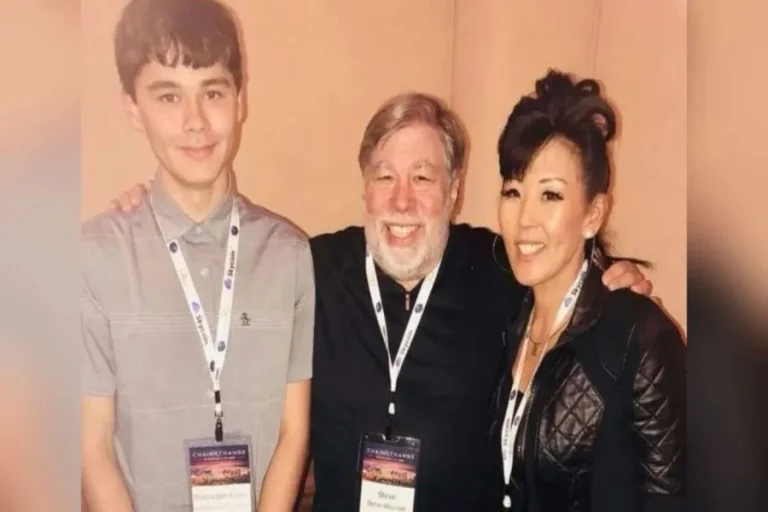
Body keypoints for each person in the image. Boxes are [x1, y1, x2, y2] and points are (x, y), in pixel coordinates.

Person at [108, 91, 653, 510]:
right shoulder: (311, 267)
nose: (401, 200)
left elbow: (556, 264)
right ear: (364, 187)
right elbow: (224, 257)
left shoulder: (496, 269)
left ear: (454, 190)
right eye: (384, 176)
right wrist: (153, 208)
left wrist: (609, 278)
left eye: (423, 178)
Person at [80, 1, 313, 511]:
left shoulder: (291, 257)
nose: (195, 122)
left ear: (240, 100)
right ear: (133, 108)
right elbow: (92, 447)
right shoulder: (94, 259)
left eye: (212, 92)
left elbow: (293, 431)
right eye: (169, 96)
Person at [491, 69, 686, 511]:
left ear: (593, 214)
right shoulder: (506, 316)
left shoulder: (639, 337)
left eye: (551, 195)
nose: (524, 219)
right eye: (513, 191)